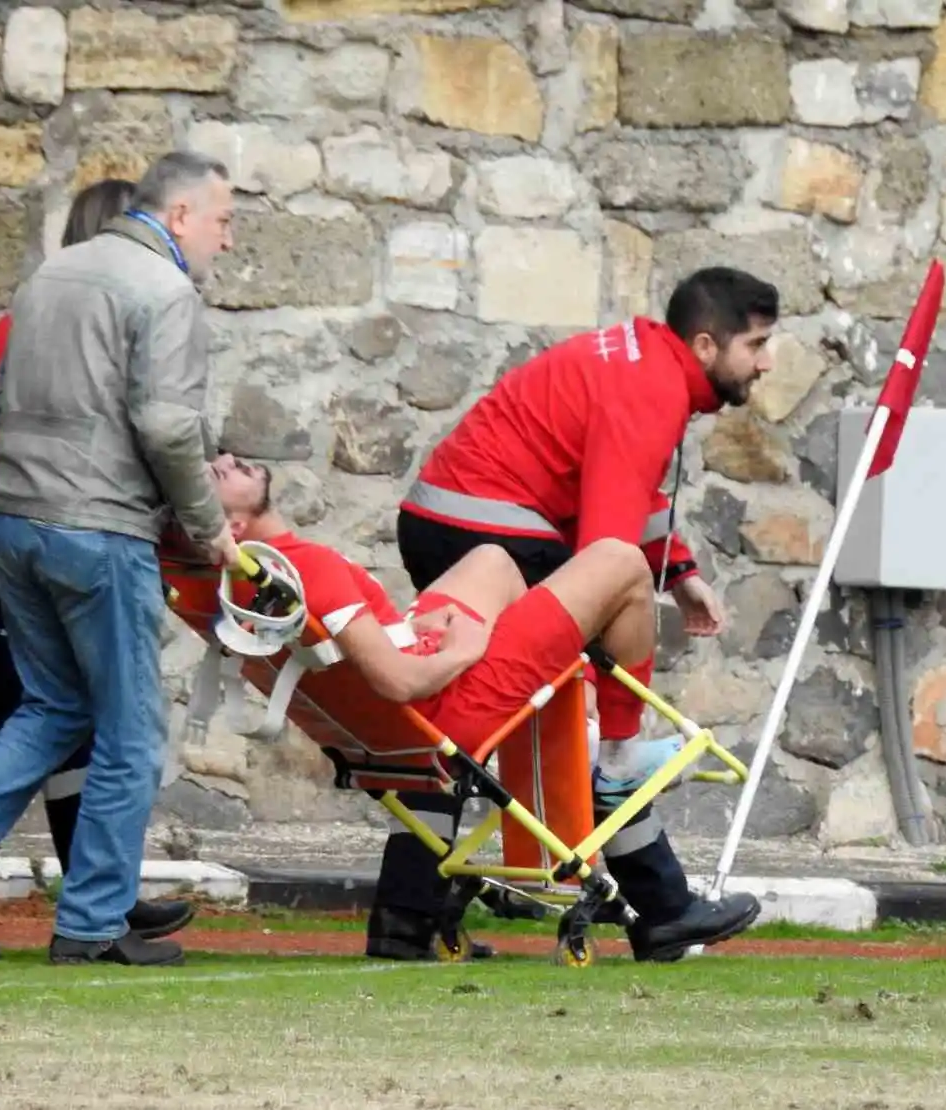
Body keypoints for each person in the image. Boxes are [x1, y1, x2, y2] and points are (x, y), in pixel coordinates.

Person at [199, 454, 764, 963]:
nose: (224, 460)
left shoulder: (255, 580)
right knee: (622, 563)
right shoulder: (301, 570)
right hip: (448, 706)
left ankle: (405, 919)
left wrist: (418, 632)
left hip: (407, 711)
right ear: (234, 525)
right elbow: (397, 682)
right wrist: (464, 648)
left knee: (492, 560)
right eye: (214, 475)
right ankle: (617, 765)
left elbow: (379, 661)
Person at [0, 152, 242, 968]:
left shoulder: (53, 277)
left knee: (51, 707)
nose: (228, 242)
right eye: (225, 222)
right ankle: (91, 927)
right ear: (184, 214)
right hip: (97, 532)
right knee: (129, 732)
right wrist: (209, 528)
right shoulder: (165, 291)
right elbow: (166, 427)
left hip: (9, 525)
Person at [379, 266, 781, 960]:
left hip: (446, 521)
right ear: (709, 345)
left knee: (458, 724)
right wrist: (619, 664)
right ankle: (632, 812)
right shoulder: (652, 389)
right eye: (758, 345)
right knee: (553, 686)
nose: (767, 363)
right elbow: (611, 549)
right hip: (493, 533)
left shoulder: (643, 362)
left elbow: (618, 480)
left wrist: (679, 571)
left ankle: (405, 921)